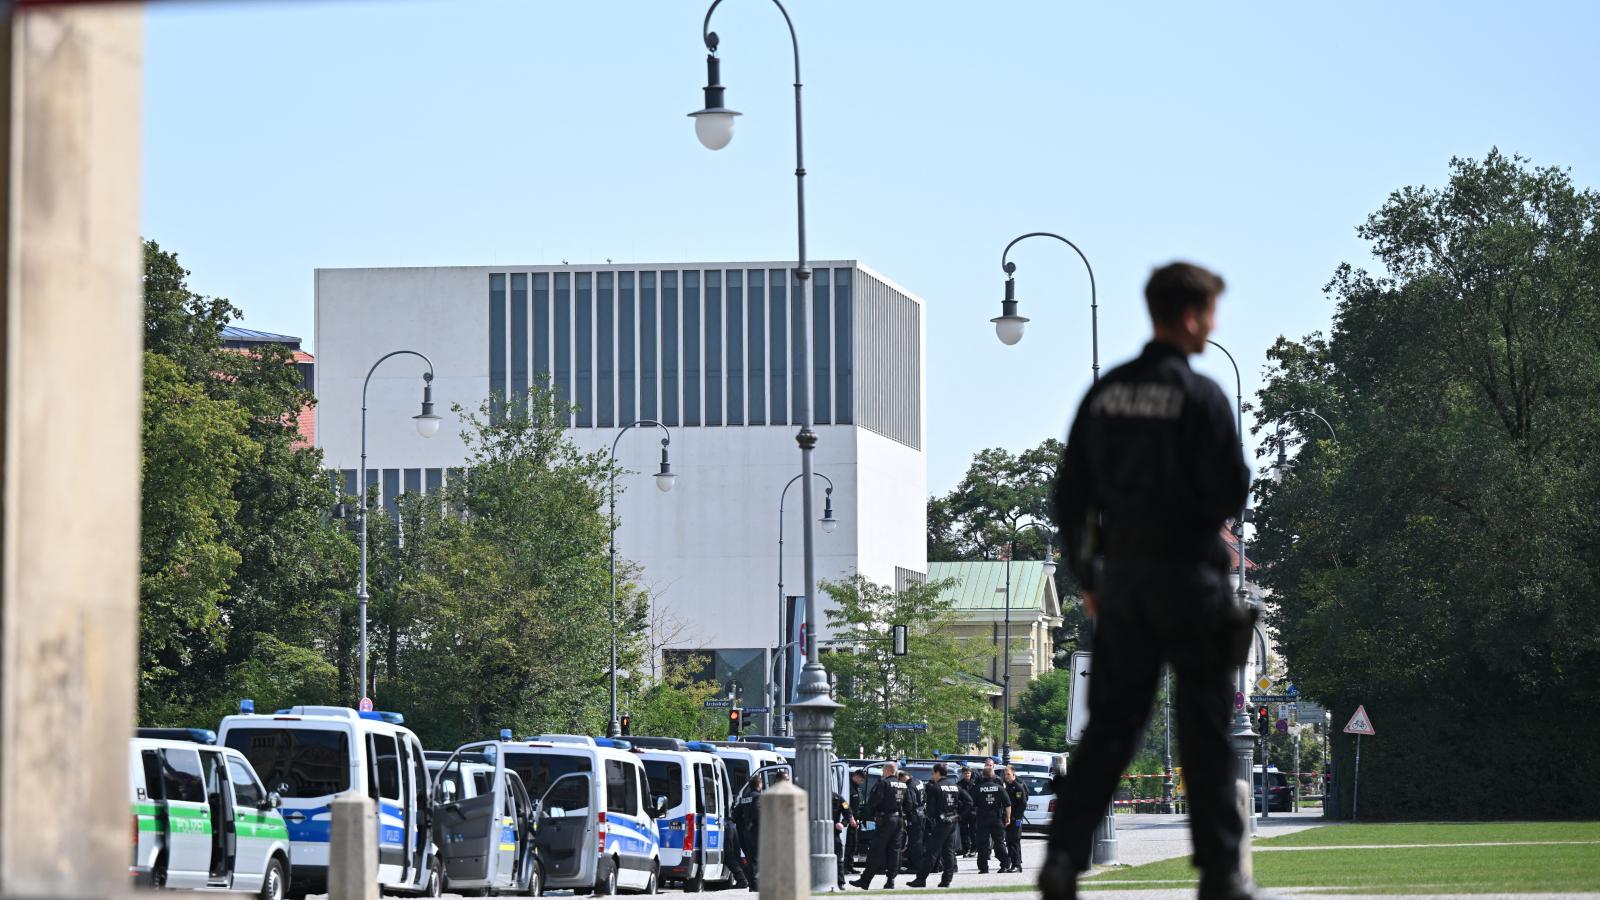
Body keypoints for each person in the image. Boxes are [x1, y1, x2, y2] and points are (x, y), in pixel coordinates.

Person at [1041, 262, 1258, 900]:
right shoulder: (1203, 397)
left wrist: (1088, 576)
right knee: (1206, 729)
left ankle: (1061, 864)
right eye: (1211, 313)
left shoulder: (1105, 394)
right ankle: (1220, 875)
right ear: (1191, 316)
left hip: (1125, 584)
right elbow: (1232, 488)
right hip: (1190, 580)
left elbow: (1070, 495)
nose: (1213, 326)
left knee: (1110, 730)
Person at [851, 762, 911, 890]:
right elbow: (909, 804)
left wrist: (870, 816)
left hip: (886, 820)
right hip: (898, 820)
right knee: (894, 851)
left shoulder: (883, 784)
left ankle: (865, 881)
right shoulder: (903, 785)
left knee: (876, 850)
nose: (883, 773)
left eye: (884, 771)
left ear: (887, 771)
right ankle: (890, 881)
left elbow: (873, 801)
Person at [908, 763, 967, 888]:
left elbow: (930, 810)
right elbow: (969, 801)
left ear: (937, 773)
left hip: (941, 823)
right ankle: (946, 880)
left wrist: (931, 821)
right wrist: (958, 815)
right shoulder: (955, 786)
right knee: (948, 851)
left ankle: (921, 879)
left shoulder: (935, 788)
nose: (932, 775)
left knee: (931, 852)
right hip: (952, 821)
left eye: (933, 773)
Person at [971, 761, 1012, 874]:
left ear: (983, 776)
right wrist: (1007, 818)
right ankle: (1005, 864)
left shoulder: (978, 788)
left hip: (982, 819)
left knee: (982, 844)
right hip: (996, 819)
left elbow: (971, 804)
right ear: (993, 775)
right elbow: (1008, 804)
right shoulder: (999, 788)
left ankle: (984, 868)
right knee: (999, 843)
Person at [733, 776, 764, 890]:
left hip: (746, 833)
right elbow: (758, 814)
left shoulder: (744, 798)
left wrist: (744, 826)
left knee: (750, 858)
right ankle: (756, 885)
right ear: (759, 785)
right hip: (757, 832)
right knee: (758, 858)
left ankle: (752, 884)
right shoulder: (758, 797)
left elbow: (735, 815)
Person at [898, 771, 925, 878]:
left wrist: (904, 813)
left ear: (903, 777)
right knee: (917, 841)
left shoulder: (909, 786)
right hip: (921, 813)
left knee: (914, 842)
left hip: (914, 817)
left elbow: (910, 803)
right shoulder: (918, 781)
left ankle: (916, 866)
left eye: (900, 780)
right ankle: (913, 863)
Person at [1003, 766, 1028, 872]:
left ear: (1014, 774)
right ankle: (1015, 863)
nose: (1006, 776)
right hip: (1010, 819)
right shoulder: (1008, 787)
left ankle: (1016, 865)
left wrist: (1015, 817)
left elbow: (1022, 804)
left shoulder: (1017, 787)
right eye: (1005, 774)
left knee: (1014, 841)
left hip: (1016, 819)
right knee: (1010, 841)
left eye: (1008, 774)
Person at [845, 770, 868, 872]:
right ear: (856, 776)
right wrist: (849, 816)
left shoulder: (856, 788)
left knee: (853, 844)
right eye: (861, 780)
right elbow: (844, 803)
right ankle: (845, 866)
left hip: (855, 819)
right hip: (848, 819)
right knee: (848, 844)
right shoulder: (848, 787)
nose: (861, 782)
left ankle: (850, 866)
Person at [957, 767, 978, 856]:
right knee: (964, 831)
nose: (967, 775)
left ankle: (974, 849)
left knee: (973, 831)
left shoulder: (975, 784)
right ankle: (966, 849)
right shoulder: (959, 784)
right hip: (963, 811)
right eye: (965, 773)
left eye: (968, 773)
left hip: (973, 811)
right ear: (963, 774)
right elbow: (957, 797)